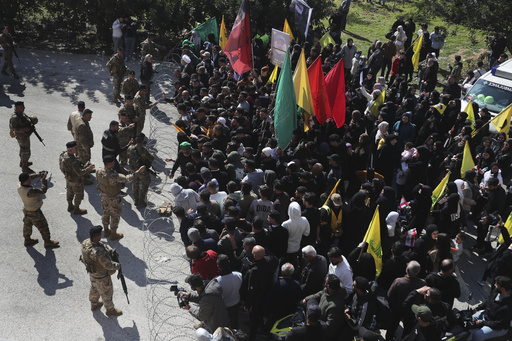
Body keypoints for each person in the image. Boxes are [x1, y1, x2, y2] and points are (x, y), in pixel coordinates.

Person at [96, 155, 145, 240]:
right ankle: (113, 234)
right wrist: (138, 171)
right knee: (115, 215)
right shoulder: (113, 175)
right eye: (113, 162)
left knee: (105, 213)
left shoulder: (99, 171)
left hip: (104, 196)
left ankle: (106, 229)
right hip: (114, 198)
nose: (114, 163)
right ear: (110, 164)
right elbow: (127, 179)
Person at [80, 226, 122, 316]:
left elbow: (102, 245)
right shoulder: (98, 252)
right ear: (98, 236)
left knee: (94, 288)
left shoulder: (85, 242)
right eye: (100, 235)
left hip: (92, 273)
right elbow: (108, 265)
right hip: (102, 276)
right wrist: (117, 266)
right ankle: (110, 310)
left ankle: (94, 304)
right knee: (107, 292)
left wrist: (109, 250)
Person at [17, 172, 59, 248]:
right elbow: (43, 190)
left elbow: (29, 176)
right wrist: (43, 179)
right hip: (34, 212)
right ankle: (47, 242)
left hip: (26, 210)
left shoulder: (20, 185)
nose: (30, 179)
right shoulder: (30, 192)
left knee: (27, 225)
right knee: (43, 226)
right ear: (26, 181)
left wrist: (39, 174)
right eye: (29, 179)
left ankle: (27, 239)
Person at [303, 274, 347, 340]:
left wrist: (315, 324)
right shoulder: (328, 289)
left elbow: (329, 326)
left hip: (324, 332)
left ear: (328, 286)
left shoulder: (334, 307)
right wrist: (306, 299)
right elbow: (320, 294)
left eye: (325, 282)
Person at [469, 276, 512, 341]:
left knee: (477, 335)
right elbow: (488, 301)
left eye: (496, 284)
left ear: (503, 289)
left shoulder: (508, 307)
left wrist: (483, 322)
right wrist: (476, 309)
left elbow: (498, 324)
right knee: (469, 319)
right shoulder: (496, 291)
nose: (494, 285)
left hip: (498, 327)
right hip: (487, 316)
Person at [61, 141, 95, 214]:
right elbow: (80, 173)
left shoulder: (63, 155)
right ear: (70, 150)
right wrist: (89, 168)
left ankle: (70, 205)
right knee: (79, 195)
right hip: (76, 180)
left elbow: (61, 168)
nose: (77, 149)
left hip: (68, 178)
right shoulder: (73, 161)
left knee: (70, 192)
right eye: (75, 148)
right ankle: (76, 209)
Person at [214, 254, 242, 329]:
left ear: (218, 267)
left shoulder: (217, 281)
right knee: (235, 320)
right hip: (236, 302)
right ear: (229, 262)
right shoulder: (238, 275)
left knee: (226, 324)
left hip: (225, 306)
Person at [10, 101, 38, 173]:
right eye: (22, 107)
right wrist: (24, 129)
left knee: (23, 149)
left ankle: (22, 162)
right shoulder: (15, 117)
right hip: (22, 137)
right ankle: (24, 167)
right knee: (26, 151)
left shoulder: (20, 114)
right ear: (18, 108)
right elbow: (14, 129)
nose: (24, 108)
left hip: (24, 135)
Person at [128, 133, 154, 207]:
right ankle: (141, 199)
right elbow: (151, 158)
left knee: (135, 184)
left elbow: (128, 156)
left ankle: (136, 199)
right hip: (142, 171)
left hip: (134, 170)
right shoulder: (144, 150)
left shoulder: (130, 148)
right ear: (142, 141)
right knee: (146, 183)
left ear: (135, 140)